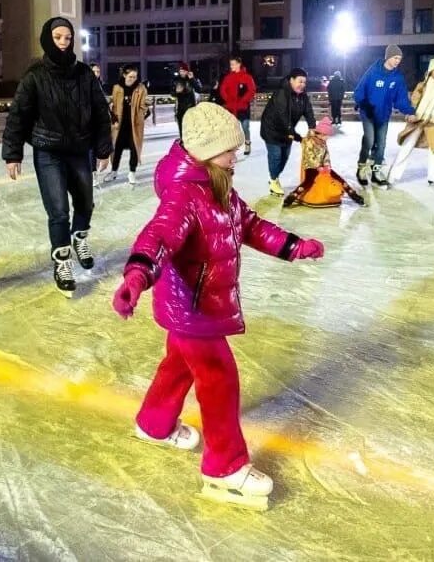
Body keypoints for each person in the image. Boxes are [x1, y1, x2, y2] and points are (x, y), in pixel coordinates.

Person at [110, 102, 324, 511]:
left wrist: (295, 248)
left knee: (177, 367)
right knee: (219, 378)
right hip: (193, 308)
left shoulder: (218, 186)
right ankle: (224, 469)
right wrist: (136, 278)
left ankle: (153, 424)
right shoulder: (185, 195)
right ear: (205, 151)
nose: (237, 156)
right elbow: (158, 236)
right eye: (230, 150)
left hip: (197, 305)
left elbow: (251, 226)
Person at [2, 17, 113, 298]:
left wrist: (103, 149)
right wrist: (13, 154)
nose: (63, 43)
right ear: (47, 39)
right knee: (59, 211)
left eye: (67, 38)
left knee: (85, 202)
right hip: (48, 151)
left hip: (79, 150)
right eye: (58, 37)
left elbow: (101, 112)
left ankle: (80, 237)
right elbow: (18, 116)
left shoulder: (84, 74)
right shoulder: (35, 75)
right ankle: (62, 261)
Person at [388, 58, 434, 186]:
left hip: (433, 122)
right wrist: (411, 113)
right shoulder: (422, 85)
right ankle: (392, 175)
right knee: (407, 147)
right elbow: (414, 101)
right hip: (418, 120)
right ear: (430, 71)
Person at [352, 44, 417, 187]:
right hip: (368, 113)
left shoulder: (398, 78)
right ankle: (361, 168)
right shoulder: (373, 71)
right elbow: (359, 90)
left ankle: (376, 173)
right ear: (388, 57)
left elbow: (401, 100)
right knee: (369, 140)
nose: (397, 61)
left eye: (399, 58)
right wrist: (363, 103)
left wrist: (411, 111)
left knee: (381, 144)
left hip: (383, 115)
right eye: (395, 58)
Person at [283, 117, 364, 207]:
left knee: (338, 178)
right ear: (321, 133)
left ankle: (353, 195)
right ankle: (292, 197)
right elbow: (309, 156)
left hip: (322, 167)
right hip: (310, 166)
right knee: (308, 181)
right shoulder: (308, 141)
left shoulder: (323, 142)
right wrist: (318, 167)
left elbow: (326, 155)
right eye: (327, 135)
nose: (328, 138)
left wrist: (327, 165)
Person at [259, 68, 316, 196]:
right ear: (291, 80)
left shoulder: (303, 96)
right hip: (272, 129)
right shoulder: (282, 94)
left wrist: (312, 128)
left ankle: (275, 176)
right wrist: (298, 137)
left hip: (287, 130)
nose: (302, 85)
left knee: (285, 157)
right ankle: (273, 181)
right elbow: (283, 117)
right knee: (276, 156)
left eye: (304, 82)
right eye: (299, 81)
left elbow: (308, 111)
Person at [108, 65, 149, 185]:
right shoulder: (117, 88)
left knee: (134, 148)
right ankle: (114, 171)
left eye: (135, 77)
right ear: (124, 75)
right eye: (130, 76)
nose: (133, 79)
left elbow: (143, 105)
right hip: (120, 124)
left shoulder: (141, 88)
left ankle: (132, 172)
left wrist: (142, 111)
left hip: (134, 124)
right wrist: (113, 119)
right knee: (117, 148)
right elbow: (113, 105)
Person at [219, 56, 257, 155]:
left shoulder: (247, 77)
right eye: (230, 64)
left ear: (239, 64)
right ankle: (233, 147)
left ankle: (247, 143)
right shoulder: (228, 77)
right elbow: (223, 89)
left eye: (233, 64)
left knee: (245, 126)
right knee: (232, 128)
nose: (231, 66)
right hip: (231, 107)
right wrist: (227, 98)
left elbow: (252, 90)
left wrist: (244, 100)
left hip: (243, 106)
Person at [173, 62, 202, 138]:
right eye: (180, 71)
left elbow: (199, 89)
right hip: (180, 109)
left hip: (191, 108)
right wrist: (176, 91)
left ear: (187, 71)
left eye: (183, 71)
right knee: (182, 131)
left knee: (191, 130)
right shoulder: (176, 80)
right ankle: (183, 144)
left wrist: (192, 79)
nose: (181, 73)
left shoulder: (191, 79)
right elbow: (171, 93)